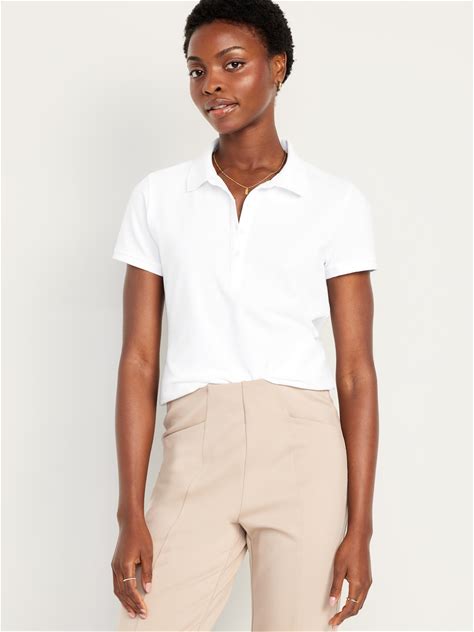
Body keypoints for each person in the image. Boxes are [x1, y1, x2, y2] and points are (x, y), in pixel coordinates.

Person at [110, 0, 378, 630]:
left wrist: (361, 527)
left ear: (277, 67)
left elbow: (356, 372)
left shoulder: (334, 203)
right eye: (197, 70)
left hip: (303, 449)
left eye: (232, 64)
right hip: (195, 442)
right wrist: (130, 513)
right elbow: (139, 360)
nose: (212, 84)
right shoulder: (159, 198)